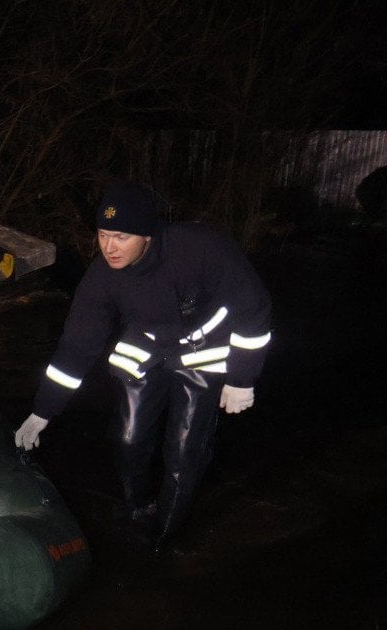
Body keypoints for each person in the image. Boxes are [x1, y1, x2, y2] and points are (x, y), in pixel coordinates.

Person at [14, 181, 272, 552]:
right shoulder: (101, 276)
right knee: (128, 437)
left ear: (147, 236)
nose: (109, 247)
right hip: (147, 346)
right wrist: (43, 411)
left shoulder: (200, 249)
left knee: (184, 449)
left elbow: (253, 306)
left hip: (203, 347)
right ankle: (137, 507)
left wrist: (242, 379)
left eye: (121, 237)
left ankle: (164, 533)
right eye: (103, 235)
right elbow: (77, 346)